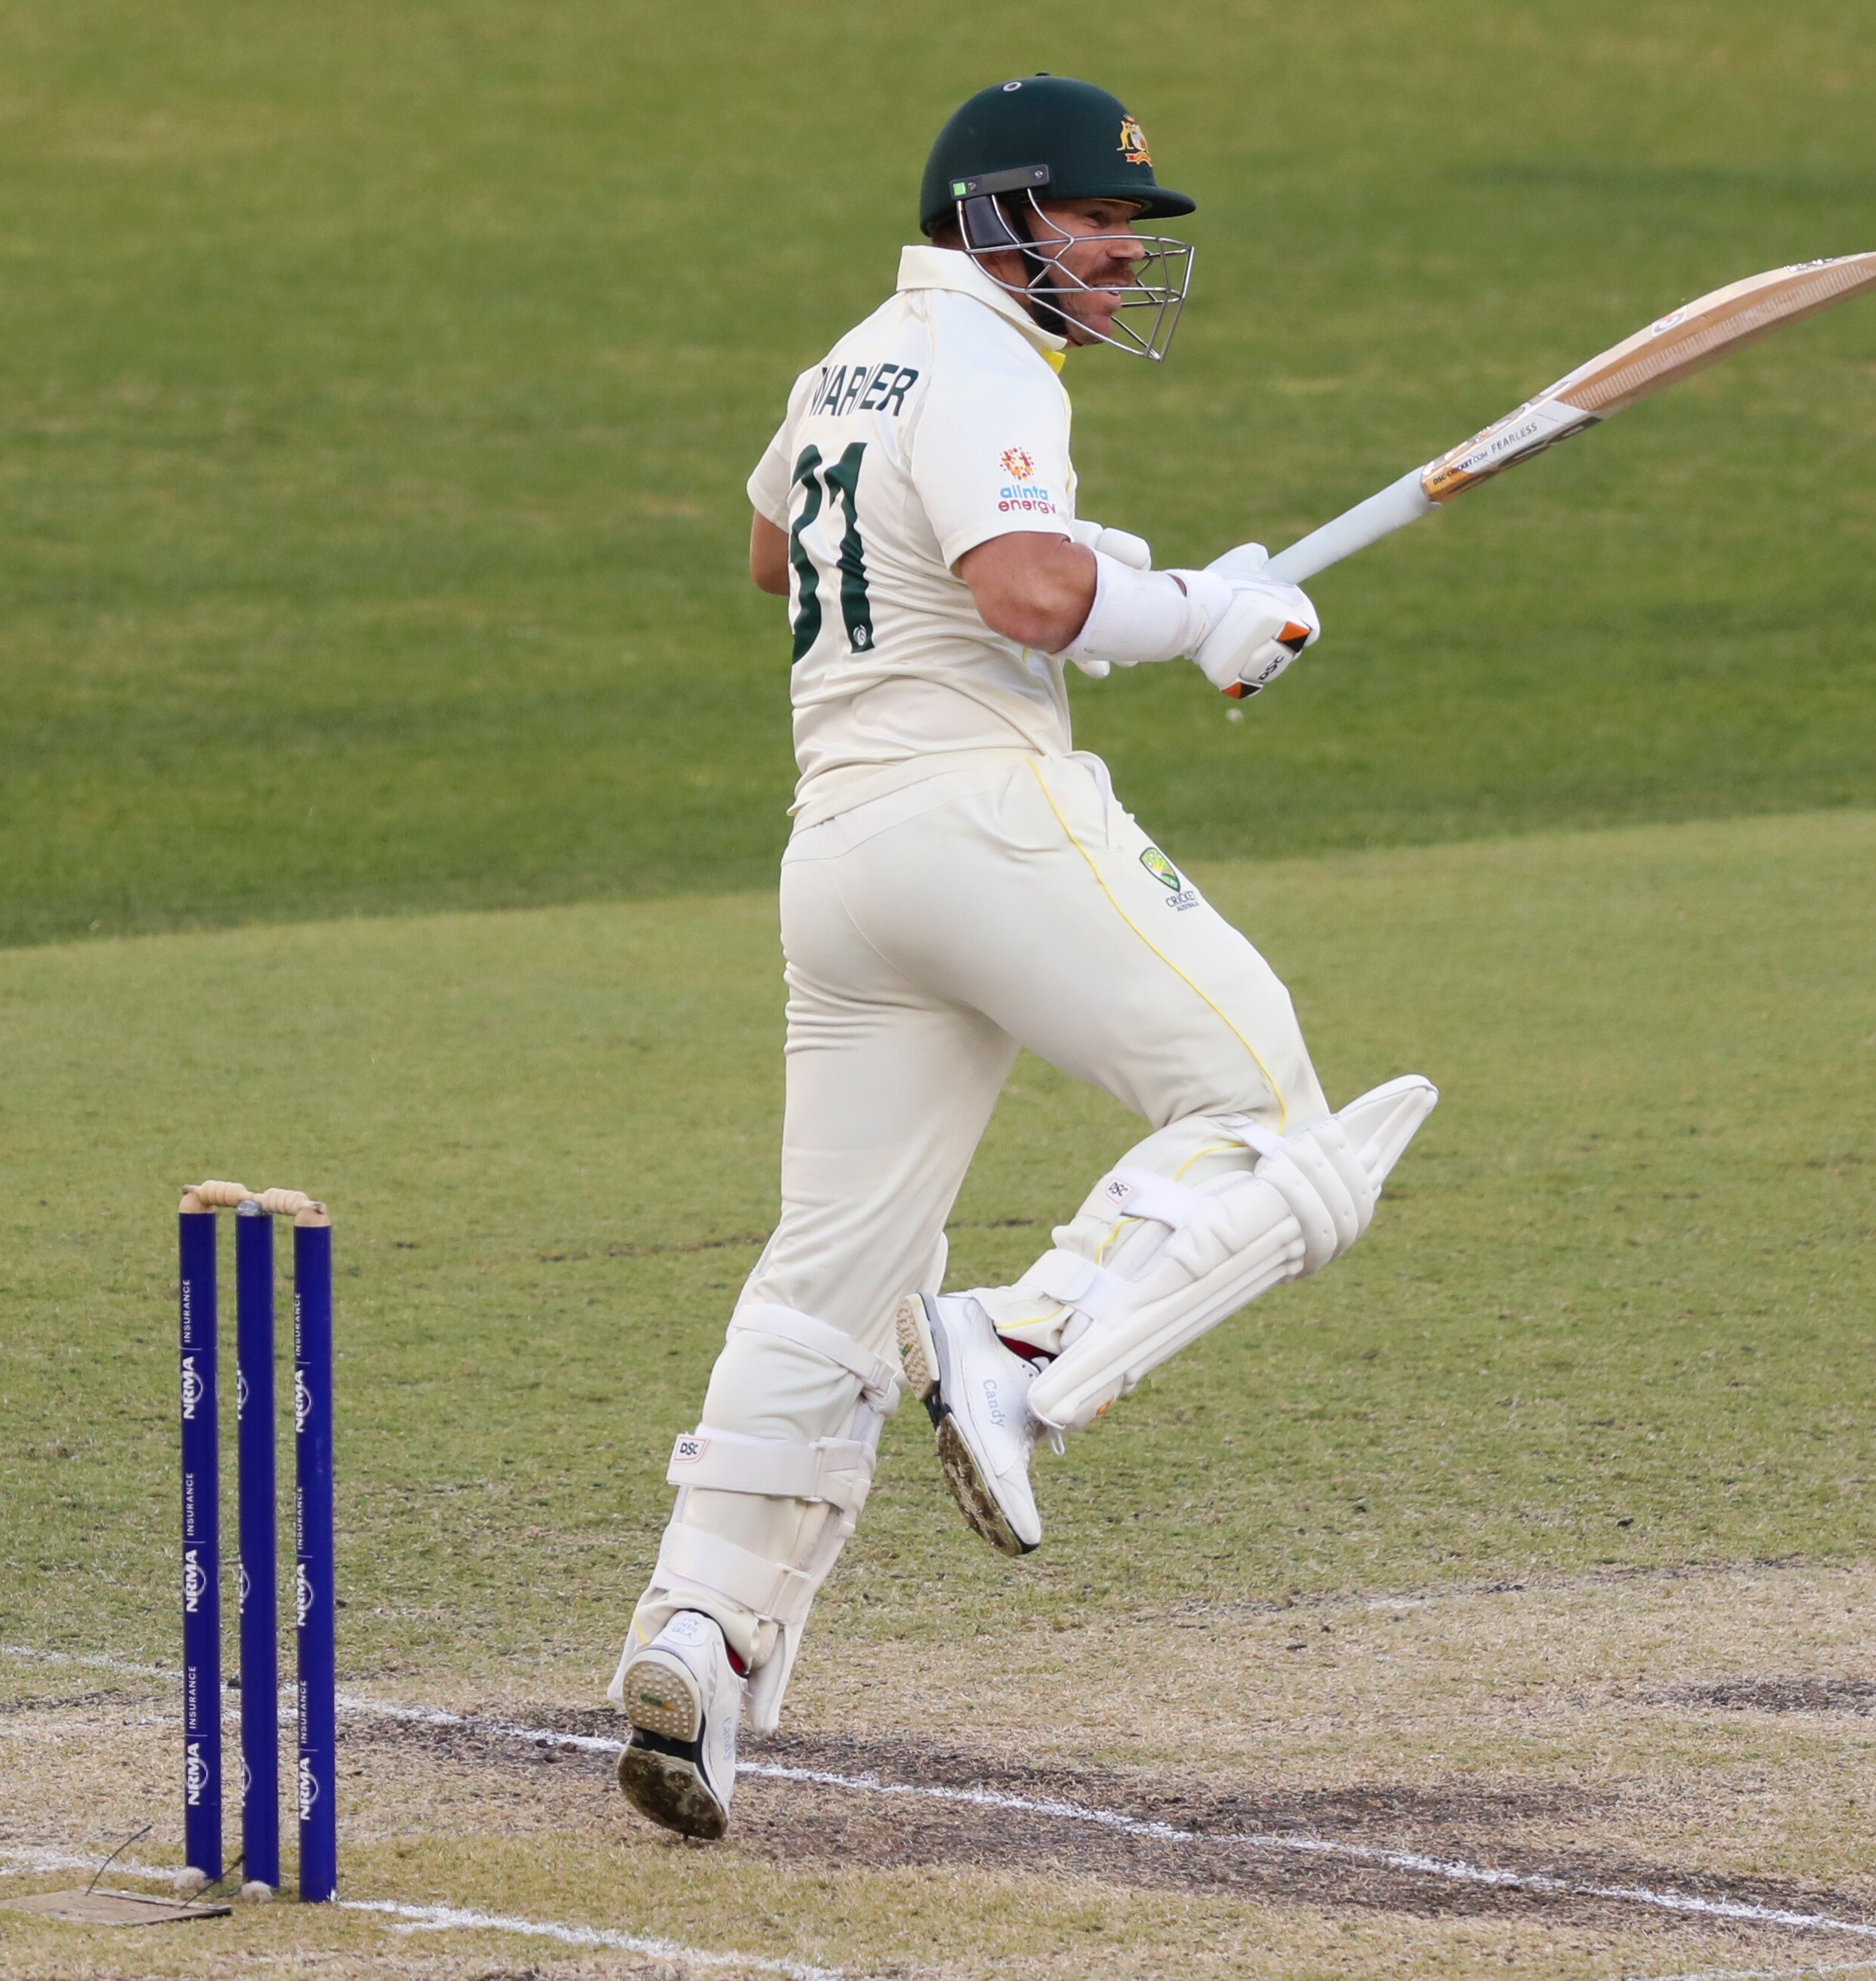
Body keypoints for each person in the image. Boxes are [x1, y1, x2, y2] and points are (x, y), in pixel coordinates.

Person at [608, 73, 1437, 1840]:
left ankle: (698, 1637)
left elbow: (776, 552)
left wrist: (1115, 559)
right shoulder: (986, 361)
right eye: (1098, 223)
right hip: (979, 810)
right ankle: (1024, 1344)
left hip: (835, 860)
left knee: (826, 1273)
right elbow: (1023, 602)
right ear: (998, 221)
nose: (1125, 259)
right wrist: (1190, 612)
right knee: (1271, 1114)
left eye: (1131, 230)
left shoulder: (850, 363)